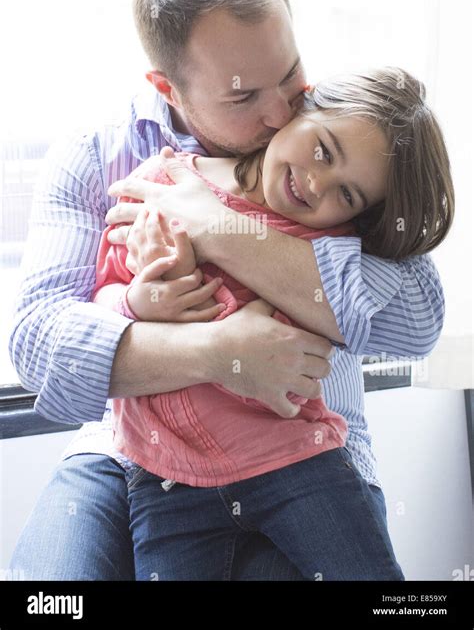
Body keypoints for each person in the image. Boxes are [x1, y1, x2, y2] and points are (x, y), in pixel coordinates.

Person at [8, 0, 447, 581]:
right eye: (243, 97)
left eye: (291, 76)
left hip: (305, 446)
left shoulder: (333, 138)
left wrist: (216, 227)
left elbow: (416, 318)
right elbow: (37, 345)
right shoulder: (98, 154)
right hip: (133, 450)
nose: (278, 113)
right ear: (168, 87)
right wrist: (222, 353)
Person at [90, 68, 453, 580]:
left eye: (347, 195)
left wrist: (223, 234)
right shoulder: (163, 181)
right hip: (169, 480)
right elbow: (101, 297)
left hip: (296, 464)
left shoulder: (329, 243)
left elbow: (416, 317)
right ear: (299, 109)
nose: (316, 183)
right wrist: (138, 301)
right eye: (324, 150)